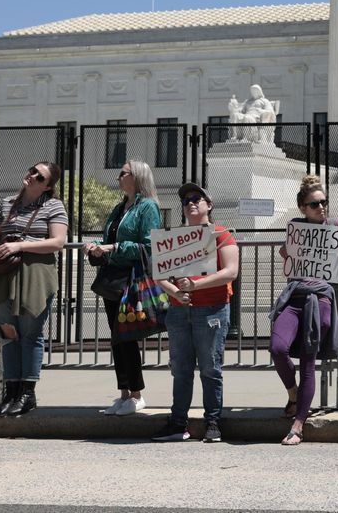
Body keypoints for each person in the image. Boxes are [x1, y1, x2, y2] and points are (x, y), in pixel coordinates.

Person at [271, 175, 338, 445]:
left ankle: (298, 424)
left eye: (324, 202)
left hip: (322, 298)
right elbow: (287, 252)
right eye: (315, 204)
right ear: (303, 207)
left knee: (307, 360)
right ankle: (293, 394)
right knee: (278, 348)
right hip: (295, 295)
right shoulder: (297, 228)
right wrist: (286, 252)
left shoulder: (336, 225)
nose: (322, 208)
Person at [0, 161, 69, 417]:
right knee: (8, 332)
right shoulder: (7, 203)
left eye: (40, 176)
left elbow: (58, 242)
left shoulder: (53, 205)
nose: (32, 176)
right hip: (6, 274)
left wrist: (20, 246)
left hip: (36, 275)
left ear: (48, 186)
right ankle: (11, 390)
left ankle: (27, 393)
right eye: (32, 170)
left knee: (30, 333)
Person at [152, 183, 239, 443]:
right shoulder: (175, 237)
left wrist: (196, 285)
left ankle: (213, 421)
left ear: (208, 205)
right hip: (180, 311)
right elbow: (160, 274)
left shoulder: (222, 235)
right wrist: (175, 292)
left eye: (197, 199)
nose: (191, 203)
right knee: (181, 368)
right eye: (186, 200)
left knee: (210, 368)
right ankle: (179, 422)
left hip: (212, 309)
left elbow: (231, 271)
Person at [83, 160, 162, 416]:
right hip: (113, 279)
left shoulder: (147, 207)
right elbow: (109, 239)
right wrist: (96, 246)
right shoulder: (120, 208)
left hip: (131, 278)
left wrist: (115, 248)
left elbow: (148, 246)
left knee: (126, 336)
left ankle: (137, 394)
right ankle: (124, 392)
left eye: (123, 173)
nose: (118, 176)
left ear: (136, 177)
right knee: (117, 339)